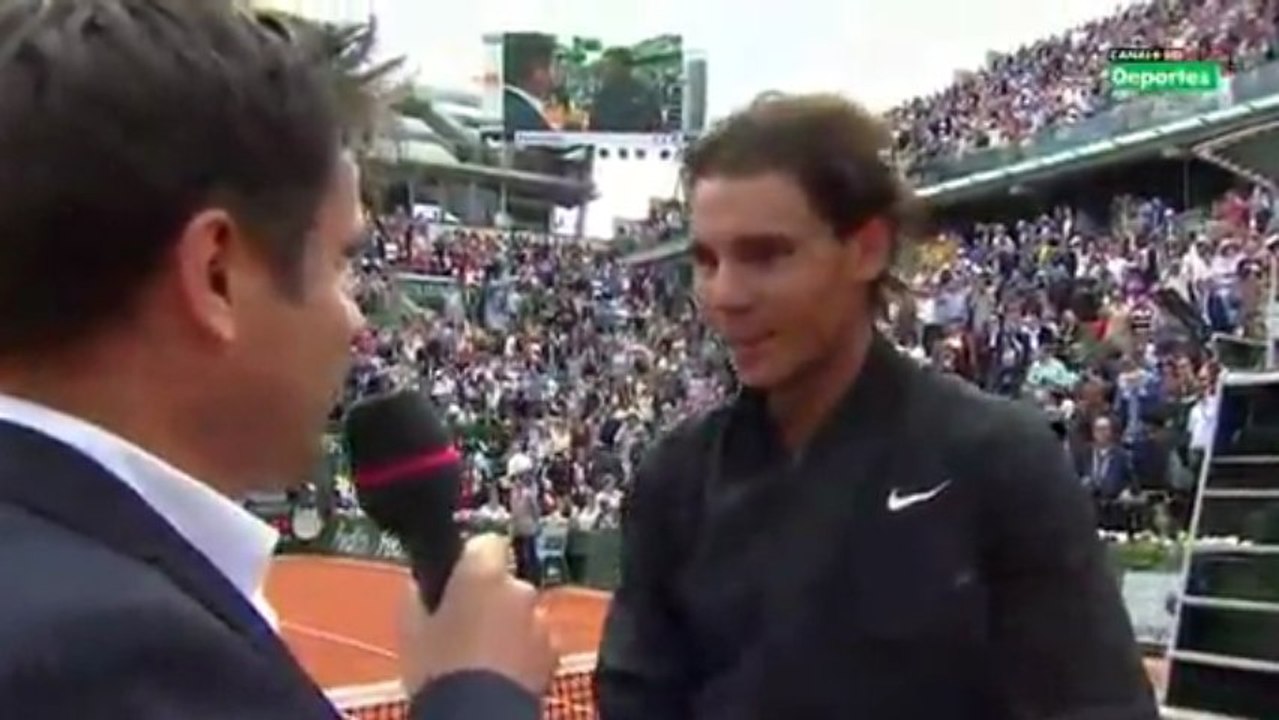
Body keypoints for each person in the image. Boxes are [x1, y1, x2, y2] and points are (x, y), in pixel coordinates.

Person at [0, 1, 553, 718]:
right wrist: (480, 691)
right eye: (342, 262)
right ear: (216, 275)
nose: (355, 317)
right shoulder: (114, 652)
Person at [595, 93, 1159, 719]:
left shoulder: (1000, 462)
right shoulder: (672, 480)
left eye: (765, 255)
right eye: (706, 260)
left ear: (866, 248)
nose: (724, 294)